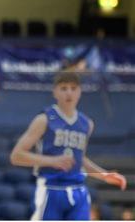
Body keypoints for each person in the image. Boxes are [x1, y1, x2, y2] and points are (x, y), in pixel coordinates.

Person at [10, 72, 127, 220]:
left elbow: (80, 159)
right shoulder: (44, 119)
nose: (69, 93)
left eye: (73, 88)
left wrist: (103, 175)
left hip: (78, 190)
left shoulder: (86, 124)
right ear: (55, 92)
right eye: (64, 88)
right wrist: (52, 161)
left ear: (80, 92)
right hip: (50, 189)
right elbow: (16, 156)